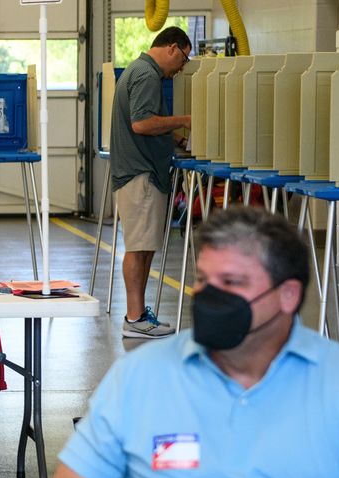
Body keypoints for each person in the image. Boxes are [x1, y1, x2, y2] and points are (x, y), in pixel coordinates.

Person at [44, 207, 339, 478]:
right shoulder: (141, 377)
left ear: (288, 295)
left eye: (231, 282)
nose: (208, 297)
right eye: (202, 280)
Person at [111, 25, 193, 338]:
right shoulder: (147, 75)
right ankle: (134, 319)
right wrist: (185, 121)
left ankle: (139, 314)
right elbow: (142, 123)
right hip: (140, 174)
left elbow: (146, 121)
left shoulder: (138, 70)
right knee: (138, 248)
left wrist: (174, 136)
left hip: (141, 172)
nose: (181, 68)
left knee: (144, 248)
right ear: (172, 47)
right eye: (183, 59)